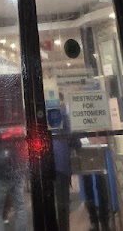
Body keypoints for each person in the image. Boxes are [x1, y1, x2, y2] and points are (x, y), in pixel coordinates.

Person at [51, 95, 72, 231]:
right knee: (63, 198)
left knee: (54, 197)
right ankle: (64, 227)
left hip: (50, 161)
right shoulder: (63, 115)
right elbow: (70, 133)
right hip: (62, 161)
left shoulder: (47, 115)